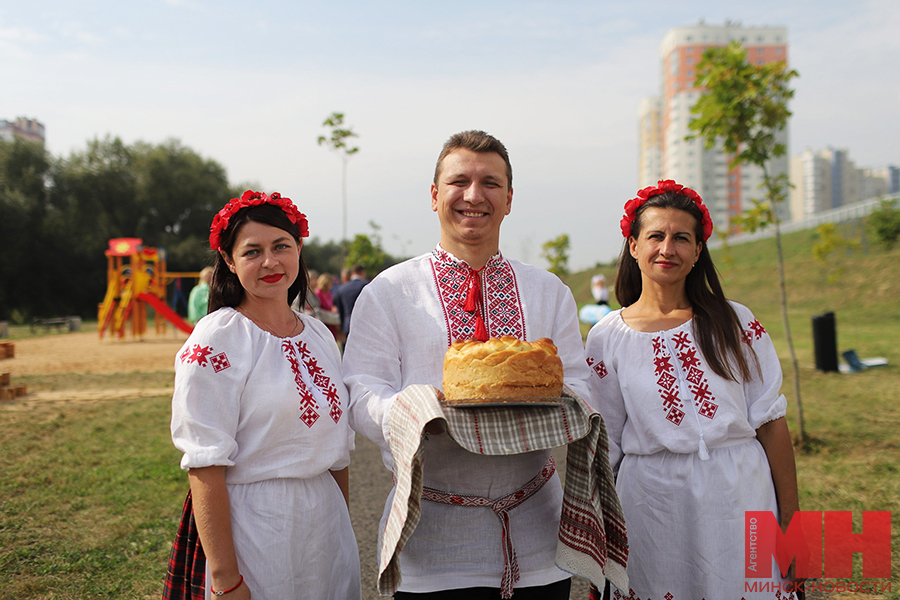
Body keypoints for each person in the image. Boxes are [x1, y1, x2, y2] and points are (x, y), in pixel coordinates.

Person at [343, 130, 592, 599]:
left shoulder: (548, 290)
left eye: (491, 183)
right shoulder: (389, 292)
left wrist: (556, 405)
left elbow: (578, 380)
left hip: (538, 539)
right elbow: (360, 390)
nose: (474, 195)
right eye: (459, 181)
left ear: (510, 199)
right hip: (430, 543)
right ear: (435, 196)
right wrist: (414, 411)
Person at [584, 180, 802, 599]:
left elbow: (772, 423)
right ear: (633, 246)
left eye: (682, 237)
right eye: (655, 236)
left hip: (741, 492)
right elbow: (605, 445)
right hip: (652, 504)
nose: (668, 248)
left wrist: (793, 525)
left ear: (698, 250)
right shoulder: (607, 337)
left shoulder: (735, 323)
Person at [167, 190, 361, 600]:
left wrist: (342, 530)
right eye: (252, 251)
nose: (270, 262)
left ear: (299, 249)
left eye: (281, 246)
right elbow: (205, 461)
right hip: (255, 528)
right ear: (229, 260)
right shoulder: (220, 337)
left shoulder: (320, 335)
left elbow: (338, 451)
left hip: (326, 529)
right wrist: (225, 577)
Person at [332, 263, 368, 337]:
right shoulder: (368, 286)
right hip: (365, 326)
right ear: (363, 272)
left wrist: (342, 326)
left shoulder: (342, 288)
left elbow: (339, 308)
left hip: (347, 325)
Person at [315, 273, 342, 340]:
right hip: (322, 321)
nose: (332, 286)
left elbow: (331, 305)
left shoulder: (328, 294)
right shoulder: (318, 293)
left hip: (330, 320)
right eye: (330, 283)